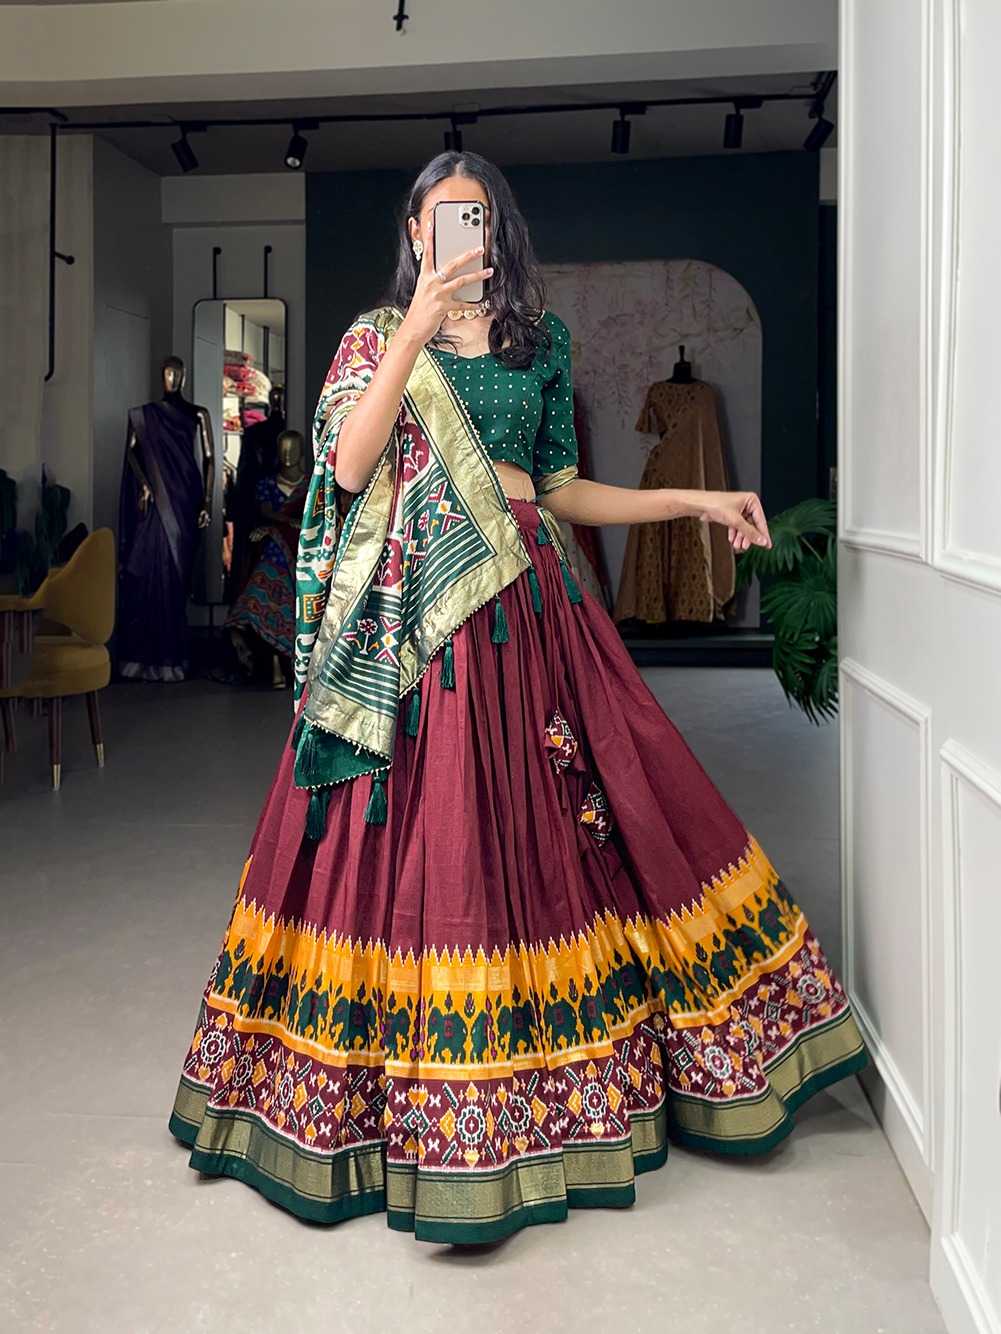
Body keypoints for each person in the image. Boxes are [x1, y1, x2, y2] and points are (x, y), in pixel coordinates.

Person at [168, 150, 868, 1245]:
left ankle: (558, 1087)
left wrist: (691, 499)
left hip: (529, 607)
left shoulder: (541, 342)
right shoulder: (372, 339)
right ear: (413, 232)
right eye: (441, 217)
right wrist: (415, 329)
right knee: (419, 836)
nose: (461, 232)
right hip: (414, 625)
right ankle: (398, 1105)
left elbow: (562, 489)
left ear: (498, 232)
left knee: (583, 813)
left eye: (478, 217)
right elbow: (345, 472)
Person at [225, 428, 308, 689]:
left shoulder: (310, 485)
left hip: (305, 549)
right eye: (283, 448)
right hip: (275, 547)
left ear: (302, 452)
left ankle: (291, 664)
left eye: (293, 448)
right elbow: (266, 511)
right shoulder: (266, 485)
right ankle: (268, 658)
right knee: (263, 580)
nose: (287, 454)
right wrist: (285, 525)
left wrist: (295, 527)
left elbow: (318, 517)